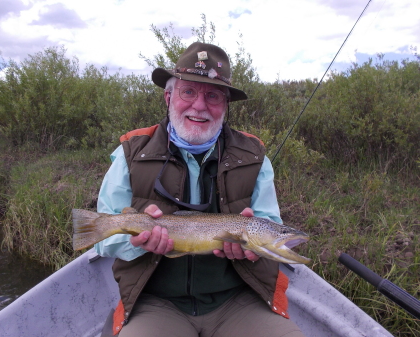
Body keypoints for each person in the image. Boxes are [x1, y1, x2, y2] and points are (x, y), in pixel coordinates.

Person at [95, 42, 305, 337]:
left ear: (225, 105)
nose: (200, 105)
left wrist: (254, 252)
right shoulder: (131, 152)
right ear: (168, 97)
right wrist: (137, 241)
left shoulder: (255, 156)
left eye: (213, 95)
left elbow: (272, 229)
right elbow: (102, 241)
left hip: (240, 300)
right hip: (155, 302)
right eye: (188, 91)